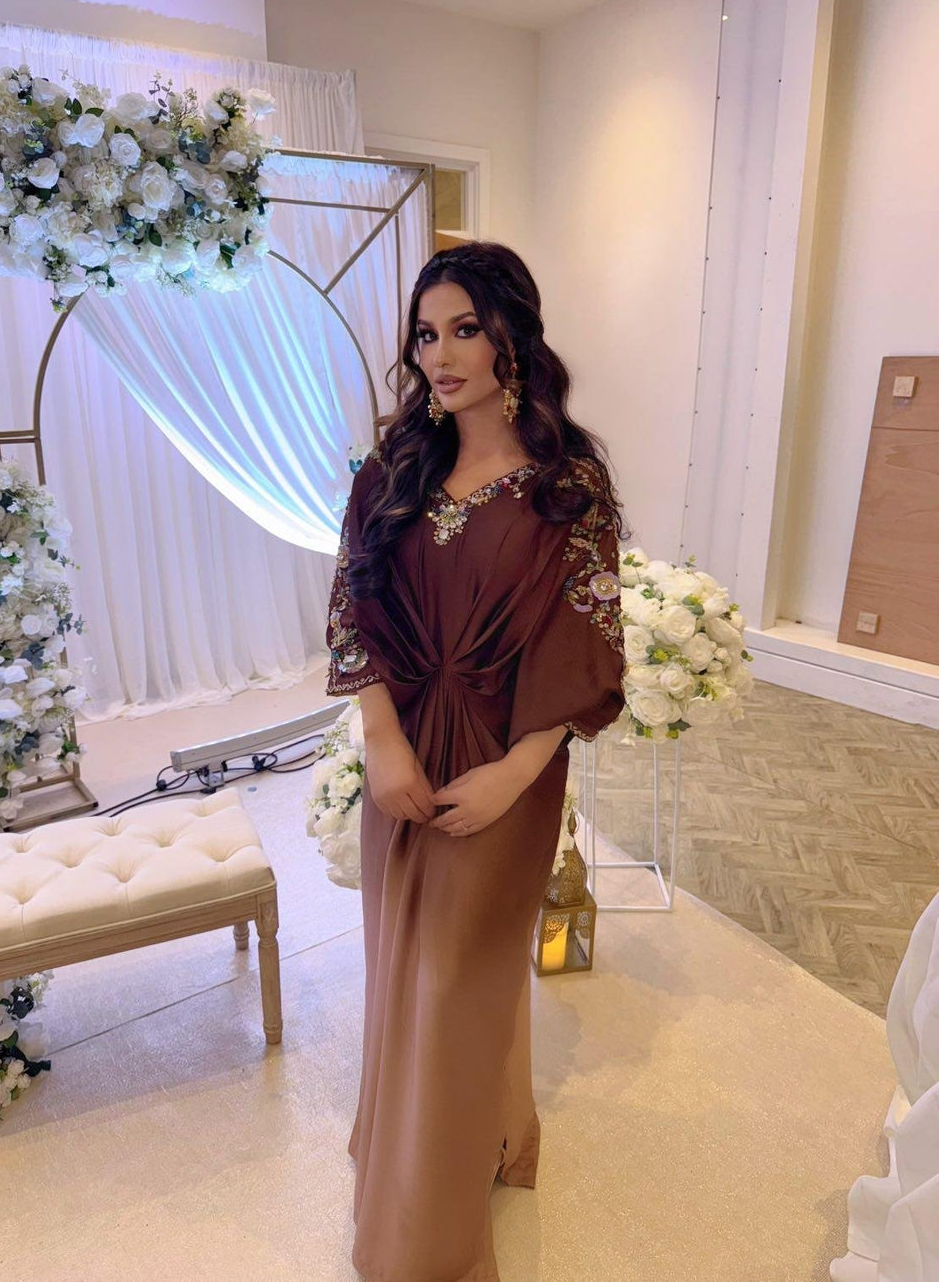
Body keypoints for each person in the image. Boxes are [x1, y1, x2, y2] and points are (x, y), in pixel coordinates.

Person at [324, 240, 628, 1281]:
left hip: (506, 766)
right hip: (404, 759)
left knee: (459, 983)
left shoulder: (568, 486)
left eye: (464, 329)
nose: (440, 355)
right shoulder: (392, 471)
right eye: (424, 334)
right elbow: (352, 605)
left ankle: (423, 1244)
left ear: (512, 337)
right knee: (402, 968)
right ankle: (472, 1145)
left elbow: (583, 643)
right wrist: (380, 740)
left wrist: (516, 773)